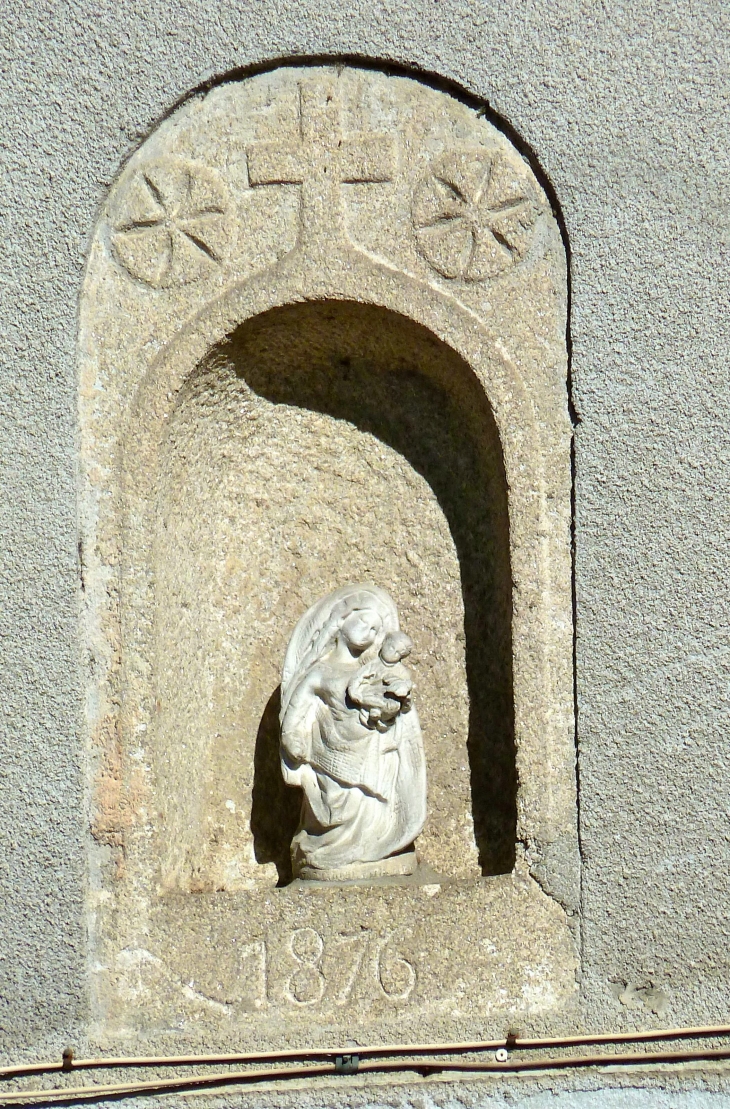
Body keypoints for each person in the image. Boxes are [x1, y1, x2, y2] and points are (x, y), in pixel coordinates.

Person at [279, 584, 427, 879]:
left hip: (374, 760)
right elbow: (296, 711)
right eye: (363, 622)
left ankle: (374, 846)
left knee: (372, 813)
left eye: (376, 629)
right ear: (340, 621)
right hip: (331, 760)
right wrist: (291, 737)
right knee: (336, 811)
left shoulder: (378, 669)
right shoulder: (320, 671)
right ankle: (327, 849)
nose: (369, 632)